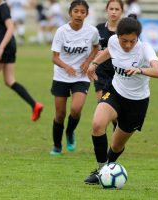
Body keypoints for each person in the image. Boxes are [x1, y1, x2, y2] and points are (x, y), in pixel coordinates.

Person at [84, 14, 158, 185]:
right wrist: (94, 63)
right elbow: (108, 51)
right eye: (124, 41)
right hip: (115, 92)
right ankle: (101, 170)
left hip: (137, 102)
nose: (128, 45)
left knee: (116, 145)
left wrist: (141, 70)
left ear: (138, 38)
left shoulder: (145, 48)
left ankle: (108, 167)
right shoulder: (113, 41)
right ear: (118, 36)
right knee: (98, 125)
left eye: (132, 41)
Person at [49, 0, 100, 155]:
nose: (79, 14)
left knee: (76, 109)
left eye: (82, 12)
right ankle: (57, 145)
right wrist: (67, 67)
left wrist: (87, 61)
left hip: (81, 77)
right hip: (61, 76)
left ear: (87, 14)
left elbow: (96, 47)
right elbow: (55, 57)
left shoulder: (92, 31)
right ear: (70, 13)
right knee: (60, 114)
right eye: (76, 11)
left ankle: (70, 132)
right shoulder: (61, 31)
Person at [94, 0, 123, 101]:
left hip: (119, 75)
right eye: (111, 9)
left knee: (116, 112)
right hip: (101, 74)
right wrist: (96, 53)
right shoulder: (98, 29)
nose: (114, 12)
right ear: (107, 10)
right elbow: (91, 49)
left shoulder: (125, 31)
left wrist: (108, 53)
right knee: (103, 105)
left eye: (117, 9)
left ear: (122, 11)